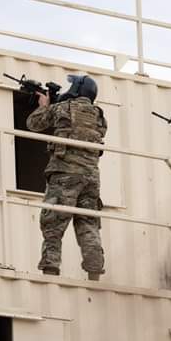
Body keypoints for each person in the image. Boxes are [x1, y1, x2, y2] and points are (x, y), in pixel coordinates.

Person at [27, 74, 107, 280]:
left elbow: (34, 124)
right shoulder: (99, 116)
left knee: (53, 222)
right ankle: (94, 271)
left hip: (65, 174)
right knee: (88, 223)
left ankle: (50, 268)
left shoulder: (62, 108)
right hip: (91, 178)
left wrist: (44, 104)